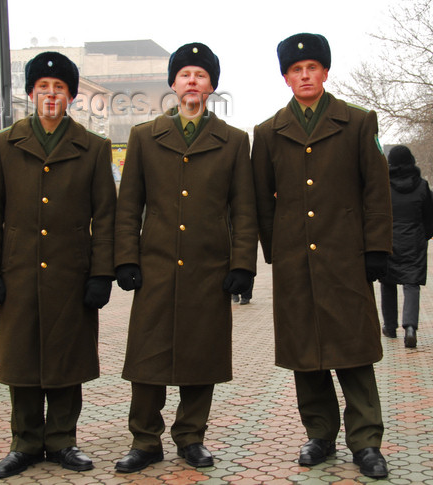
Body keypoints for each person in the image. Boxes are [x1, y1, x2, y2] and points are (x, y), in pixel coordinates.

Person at [251, 33, 393, 479]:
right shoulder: (269, 132)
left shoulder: (356, 122)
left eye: (312, 67)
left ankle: (366, 441)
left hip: (345, 258)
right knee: (304, 354)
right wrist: (277, 251)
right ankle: (320, 434)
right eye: (296, 69)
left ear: (325, 72)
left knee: (354, 351)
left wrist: (375, 249)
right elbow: (262, 202)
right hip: (296, 262)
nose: (305, 75)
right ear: (286, 77)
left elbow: (376, 190)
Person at [113, 42, 258, 473]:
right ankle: (144, 439)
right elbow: (128, 205)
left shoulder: (233, 141)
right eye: (184, 74)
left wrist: (242, 265)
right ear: (173, 84)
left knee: (202, 354)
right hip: (155, 265)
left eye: (200, 74)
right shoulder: (144, 136)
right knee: (146, 356)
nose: (192, 81)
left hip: (209, 268)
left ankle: (191, 437)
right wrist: (126, 258)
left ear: (212, 85)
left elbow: (244, 210)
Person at [0, 52, 117, 479]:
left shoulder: (92, 147)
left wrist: (101, 273)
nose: (51, 94)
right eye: (43, 87)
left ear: (71, 96)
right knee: (21, 358)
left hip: (71, 273)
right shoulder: (3, 144)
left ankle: (63, 441)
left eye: (59, 87)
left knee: (66, 358)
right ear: (31, 93)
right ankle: (25, 442)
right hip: (17, 271)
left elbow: (105, 215)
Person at [379, 145, 433, 348]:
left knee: (388, 283)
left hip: (389, 240)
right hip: (414, 240)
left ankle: (389, 325)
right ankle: (410, 327)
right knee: (411, 284)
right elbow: (430, 214)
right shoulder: (422, 185)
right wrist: (425, 234)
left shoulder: (383, 185)